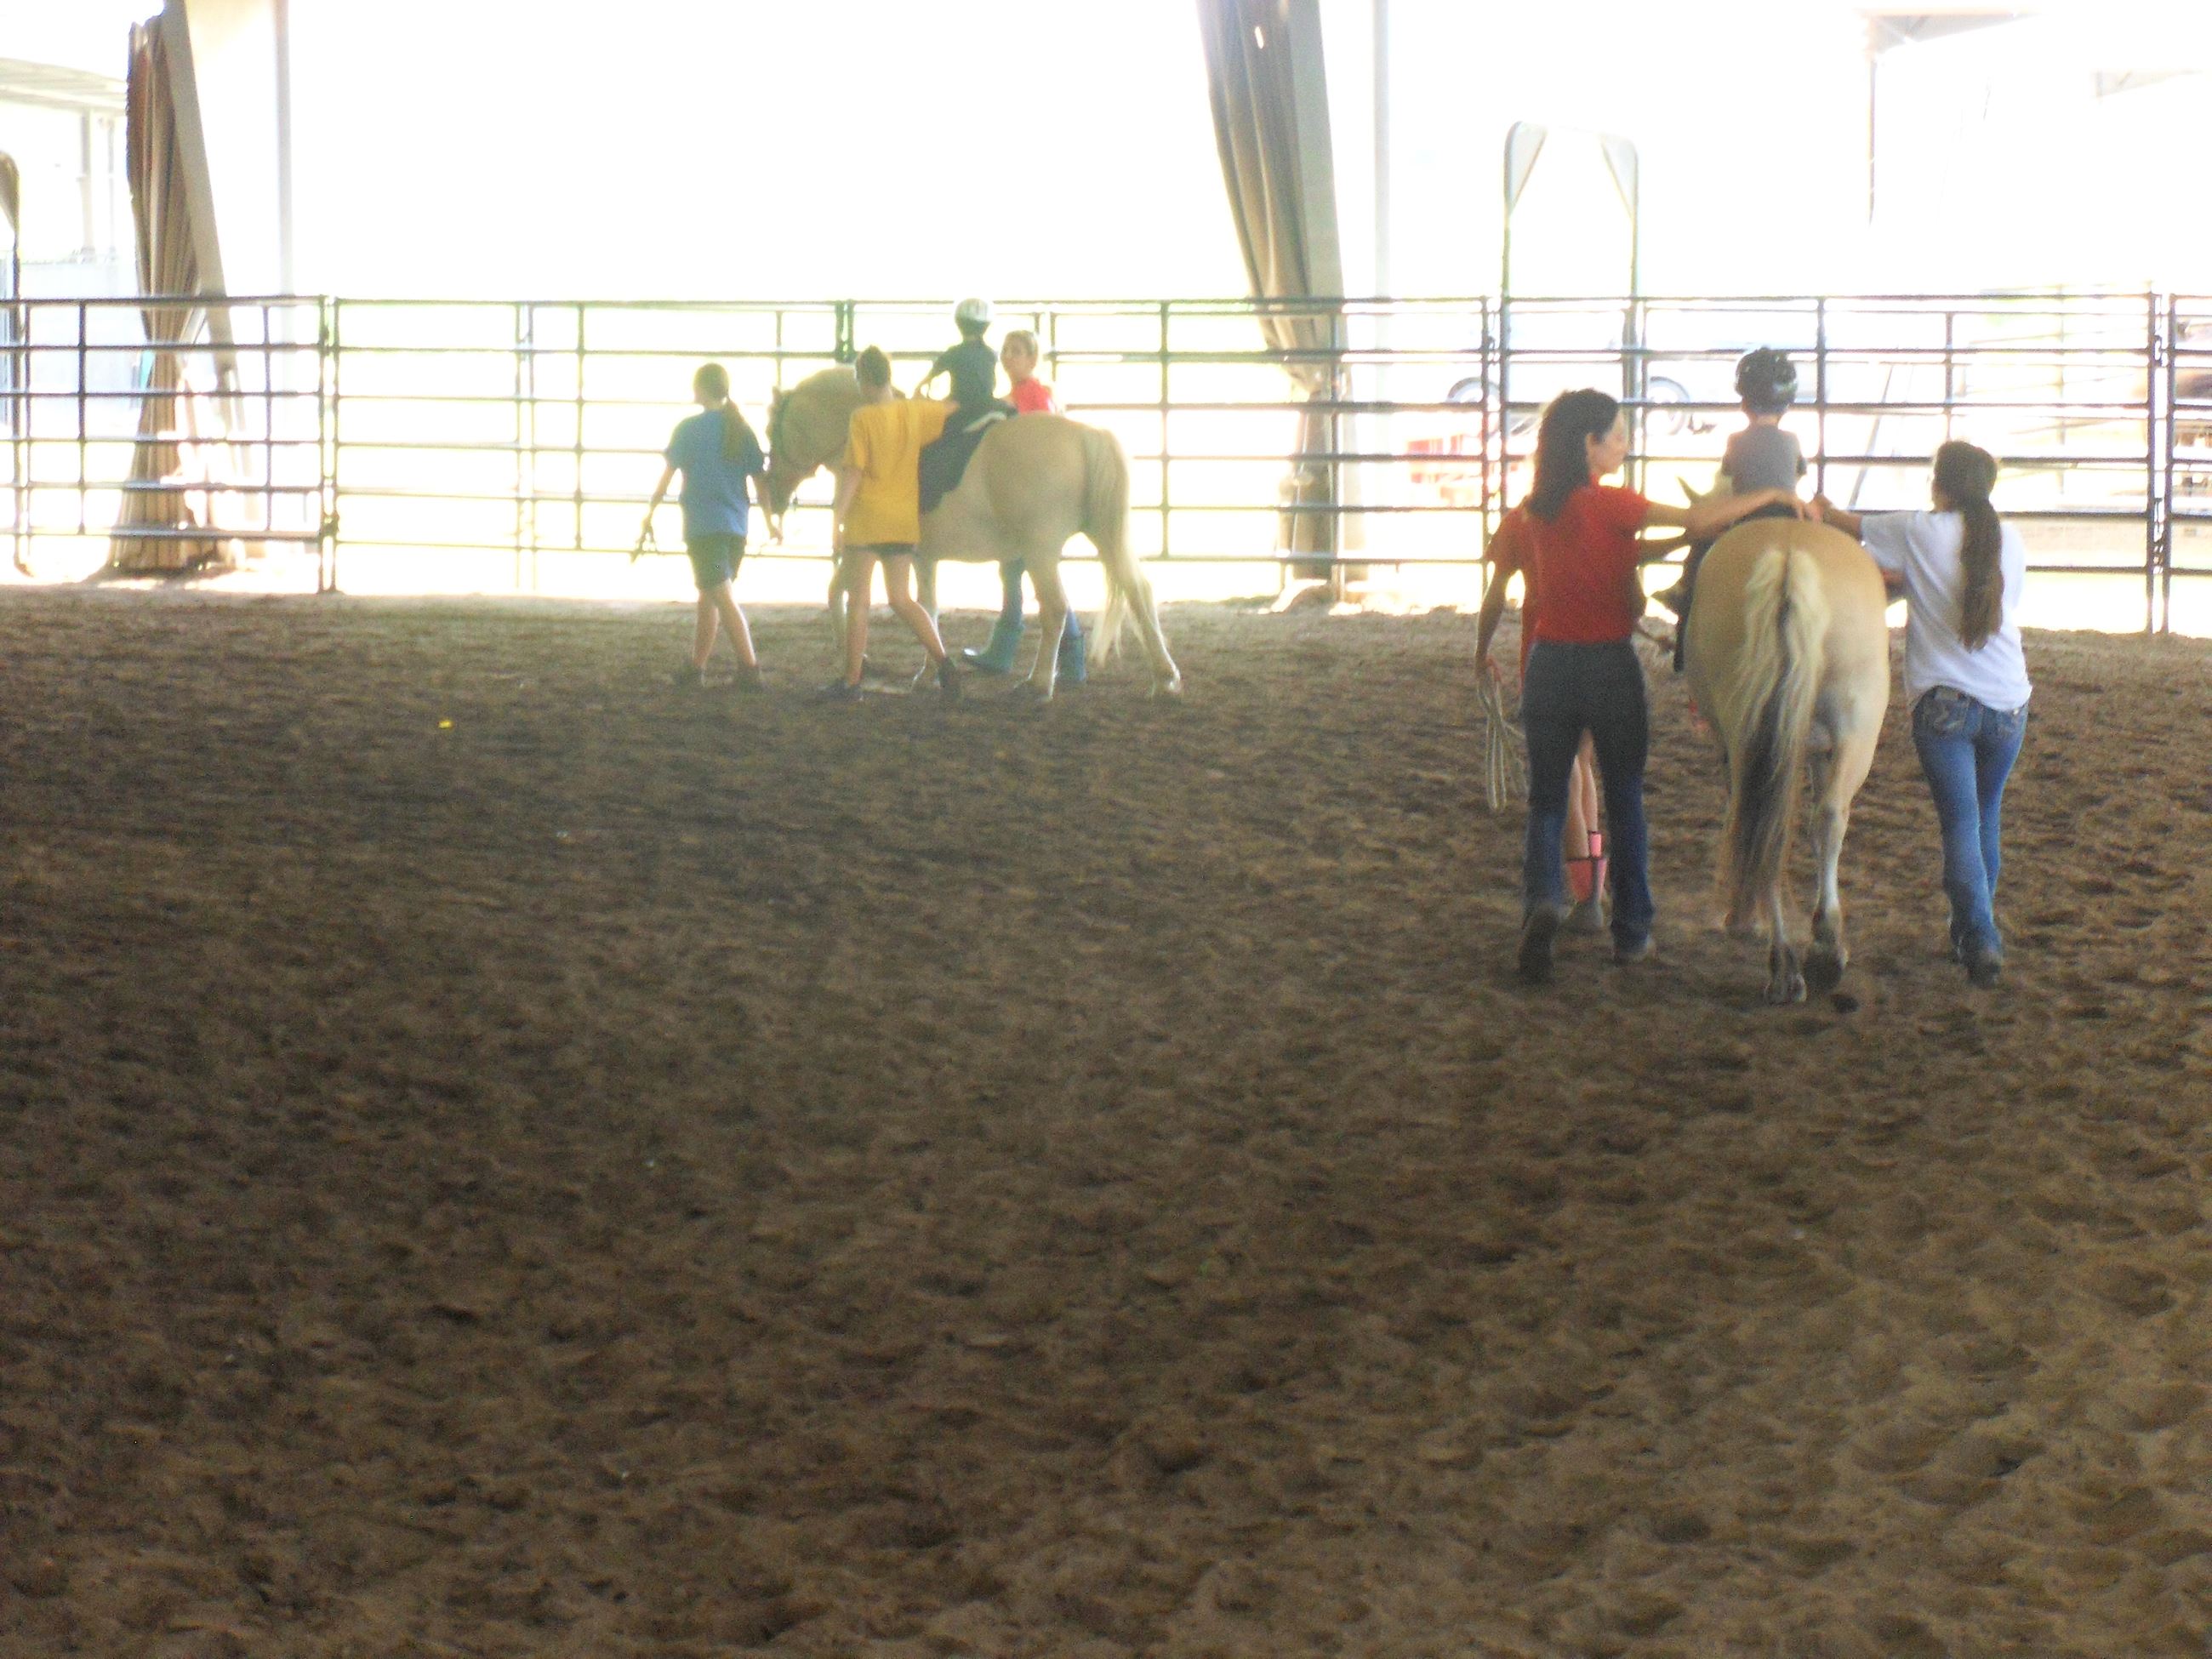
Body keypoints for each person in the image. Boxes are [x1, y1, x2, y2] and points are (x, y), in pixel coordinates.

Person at [1499, 388, 1806, 985]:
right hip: (1607, 665)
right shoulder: (1615, 503)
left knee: (1546, 800)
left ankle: (1542, 904)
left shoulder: (1537, 509)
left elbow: (1616, 550)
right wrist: (1772, 496)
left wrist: (1671, 545)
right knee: (1625, 797)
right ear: (1589, 444)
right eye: (1616, 435)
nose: (1624, 444)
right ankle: (1632, 931)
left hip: (1548, 665)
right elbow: (1698, 520)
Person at [1814, 442, 2029, 989]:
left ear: (1941, 486)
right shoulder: (2010, 538)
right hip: (2010, 702)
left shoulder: (1918, 529)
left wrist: (1817, 507)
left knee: (1960, 822)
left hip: (1944, 703)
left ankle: (1980, 936)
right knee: (1985, 817)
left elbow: (1846, 523)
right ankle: (1969, 930)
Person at [1474, 507, 1606, 932]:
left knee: (1565, 771)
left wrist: (1481, 651)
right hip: (1601, 652)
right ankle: (1594, 885)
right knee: (1582, 764)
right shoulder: (1598, 510)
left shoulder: (1521, 520)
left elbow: (1497, 593)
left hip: (1548, 655)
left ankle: (1586, 895)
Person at [823, 345, 962, 701]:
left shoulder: (862, 418)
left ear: (864, 380)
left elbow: (854, 472)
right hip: (902, 520)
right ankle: (945, 664)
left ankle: (852, 681)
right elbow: (951, 408)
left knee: (859, 601)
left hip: (867, 520)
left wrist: (838, 518)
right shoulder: (913, 412)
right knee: (902, 599)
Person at [1658, 347, 1809, 669]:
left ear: (1744, 403)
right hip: (1790, 516)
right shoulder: (1793, 440)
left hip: (1746, 517)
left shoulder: (1735, 440)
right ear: (1788, 404)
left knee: (1700, 554)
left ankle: (1683, 617)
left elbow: (1728, 476)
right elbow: (1798, 473)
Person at [960, 328, 1086, 684]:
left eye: (1016, 351)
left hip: (1030, 503)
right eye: (1006, 350)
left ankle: (1051, 655)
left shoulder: (1030, 396)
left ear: (1032, 359)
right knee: (1021, 573)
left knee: (1037, 578)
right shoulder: (1025, 395)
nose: (1008, 357)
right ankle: (1033, 653)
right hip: (1024, 500)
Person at [639, 362, 769, 690]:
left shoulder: (688, 429)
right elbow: (760, 480)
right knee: (710, 597)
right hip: (736, 527)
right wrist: (770, 520)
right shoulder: (741, 428)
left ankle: (750, 669)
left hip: (703, 528)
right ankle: (696, 668)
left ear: (700, 389)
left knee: (720, 597)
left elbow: (667, 476)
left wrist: (650, 512)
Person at [916, 297, 1015, 516]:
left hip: (964, 410)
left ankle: (928, 497)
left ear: (959, 324)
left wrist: (920, 392)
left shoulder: (954, 353)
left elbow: (926, 382)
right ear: (986, 326)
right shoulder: (990, 353)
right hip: (992, 406)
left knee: (932, 444)